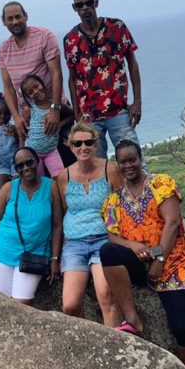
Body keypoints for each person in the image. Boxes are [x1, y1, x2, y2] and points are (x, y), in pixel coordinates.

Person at [100, 140, 185, 369]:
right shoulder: (114, 200)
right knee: (108, 251)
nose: (128, 165)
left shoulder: (160, 184)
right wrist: (132, 245)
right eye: (123, 161)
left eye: (132, 159)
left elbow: (173, 223)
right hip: (141, 261)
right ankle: (132, 318)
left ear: (140, 158)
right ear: (118, 165)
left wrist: (159, 259)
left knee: (182, 327)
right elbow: (112, 235)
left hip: (173, 263)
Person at [55, 122, 124, 329]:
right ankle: (90, 340)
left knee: (106, 296)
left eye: (88, 142)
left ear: (95, 144)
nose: (83, 147)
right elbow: (66, 210)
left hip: (104, 240)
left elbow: (122, 204)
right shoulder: (64, 176)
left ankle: (114, 343)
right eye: (78, 143)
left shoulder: (109, 169)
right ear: (71, 146)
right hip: (75, 244)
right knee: (69, 305)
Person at [0, 146, 63, 304]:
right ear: (16, 169)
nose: (26, 168)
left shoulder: (51, 187)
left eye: (29, 162)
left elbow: (57, 225)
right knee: (2, 304)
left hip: (35, 254)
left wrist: (55, 258)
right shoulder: (8, 189)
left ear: (37, 162)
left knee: (21, 304)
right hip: (1, 253)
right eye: (20, 166)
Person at [62, 0, 143, 159]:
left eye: (89, 2)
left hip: (119, 111)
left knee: (134, 161)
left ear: (96, 2)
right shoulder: (70, 39)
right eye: (79, 5)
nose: (85, 8)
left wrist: (137, 102)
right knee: (97, 168)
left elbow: (132, 63)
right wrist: (77, 115)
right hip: (89, 116)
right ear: (74, 8)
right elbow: (72, 78)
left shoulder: (117, 27)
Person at [0, 1, 66, 145]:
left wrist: (55, 109)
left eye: (18, 16)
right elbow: (8, 88)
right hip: (29, 119)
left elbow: (56, 74)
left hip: (54, 111)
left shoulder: (44, 36)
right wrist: (16, 117)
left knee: (65, 161)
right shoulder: (4, 49)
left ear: (26, 16)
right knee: (34, 163)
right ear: (4, 22)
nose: (15, 21)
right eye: (10, 18)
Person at [19, 73, 69, 177]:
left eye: (36, 86)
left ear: (43, 84)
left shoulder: (56, 106)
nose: (36, 92)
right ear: (28, 97)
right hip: (33, 152)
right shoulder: (29, 110)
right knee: (38, 180)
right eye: (31, 92)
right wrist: (20, 153)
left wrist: (60, 124)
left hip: (51, 151)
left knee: (60, 177)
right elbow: (23, 132)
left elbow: (73, 114)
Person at [0, 93, 19, 192]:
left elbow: (21, 142)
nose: (2, 116)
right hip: (0, 164)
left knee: (18, 186)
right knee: (1, 191)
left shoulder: (13, 128)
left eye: (6, 113)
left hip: (14, 161)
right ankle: (5, 207)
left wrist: (15, 135)